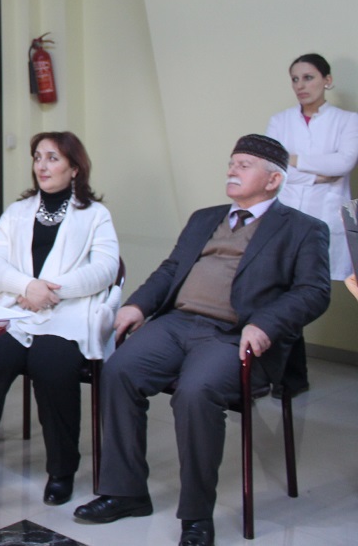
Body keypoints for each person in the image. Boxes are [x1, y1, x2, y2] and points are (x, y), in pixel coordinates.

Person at [74, 135, 331, 546]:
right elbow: (171, 268)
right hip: (177, 323)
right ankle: (125, 493)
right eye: (232, 162)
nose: (232, 170)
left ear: (273, 180)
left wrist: (265, 325)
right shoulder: (204, 218)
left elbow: (314, 292)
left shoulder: (303, 229)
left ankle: (196, 516)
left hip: (234, 335)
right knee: (119, 370)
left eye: (244, 165)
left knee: (196, 392)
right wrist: (138, 305)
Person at [0, 132, 120, 505]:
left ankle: (61, 470)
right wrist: (28, 287)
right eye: (37, 158)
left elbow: (106, 268)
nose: (42, 166)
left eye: (52, 158)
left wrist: (51, 292)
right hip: (18, 309)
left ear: (74, 168)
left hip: (68, 312)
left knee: (52, 364)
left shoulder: (95, 215)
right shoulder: (18, 211)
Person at [265, 53, 358, 397]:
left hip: (326, 217)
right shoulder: (279, 121)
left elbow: (344, 163)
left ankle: (292, 376)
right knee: (285, 294)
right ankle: (290, 377)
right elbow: (271, 165)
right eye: (295, 79)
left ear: (327, 81)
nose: (300, 85)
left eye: (308, 77)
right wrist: (317, 173)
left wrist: (294, 161)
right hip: (286, 218)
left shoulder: (348, 121)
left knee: (329, 289)